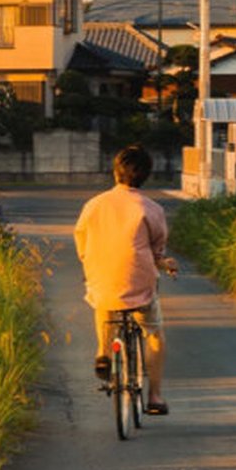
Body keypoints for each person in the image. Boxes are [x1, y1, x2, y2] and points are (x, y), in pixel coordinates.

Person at [73, 144, 177, 415]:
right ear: (146, 176)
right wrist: (165, 264)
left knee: (102, 299)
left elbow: (81, 240)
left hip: (101, 276)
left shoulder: (93, 205)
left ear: (115, 172)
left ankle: (103, 352)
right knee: (154, 334)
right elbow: (157, 251)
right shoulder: (150, 208)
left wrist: (91, 261)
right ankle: (154, 397)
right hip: (139, 282)